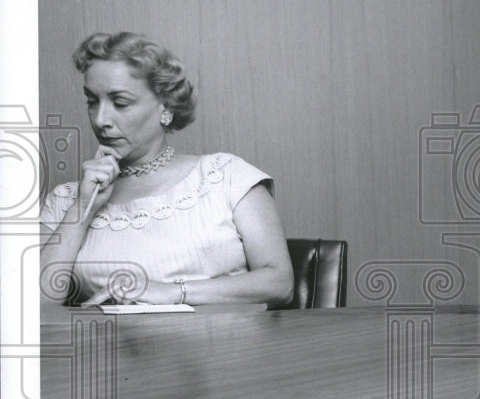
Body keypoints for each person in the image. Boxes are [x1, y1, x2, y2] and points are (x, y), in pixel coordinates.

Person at [40, 32, 293, 307]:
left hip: (222, 347)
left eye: (120, 102)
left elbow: (279, 283)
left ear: (166, 106)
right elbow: (28, 308)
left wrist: (172, 292)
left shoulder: (226, 177)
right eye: (92, 101)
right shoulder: (66, 200)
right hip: (106, 348)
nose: (101, 120)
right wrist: (82, 208)